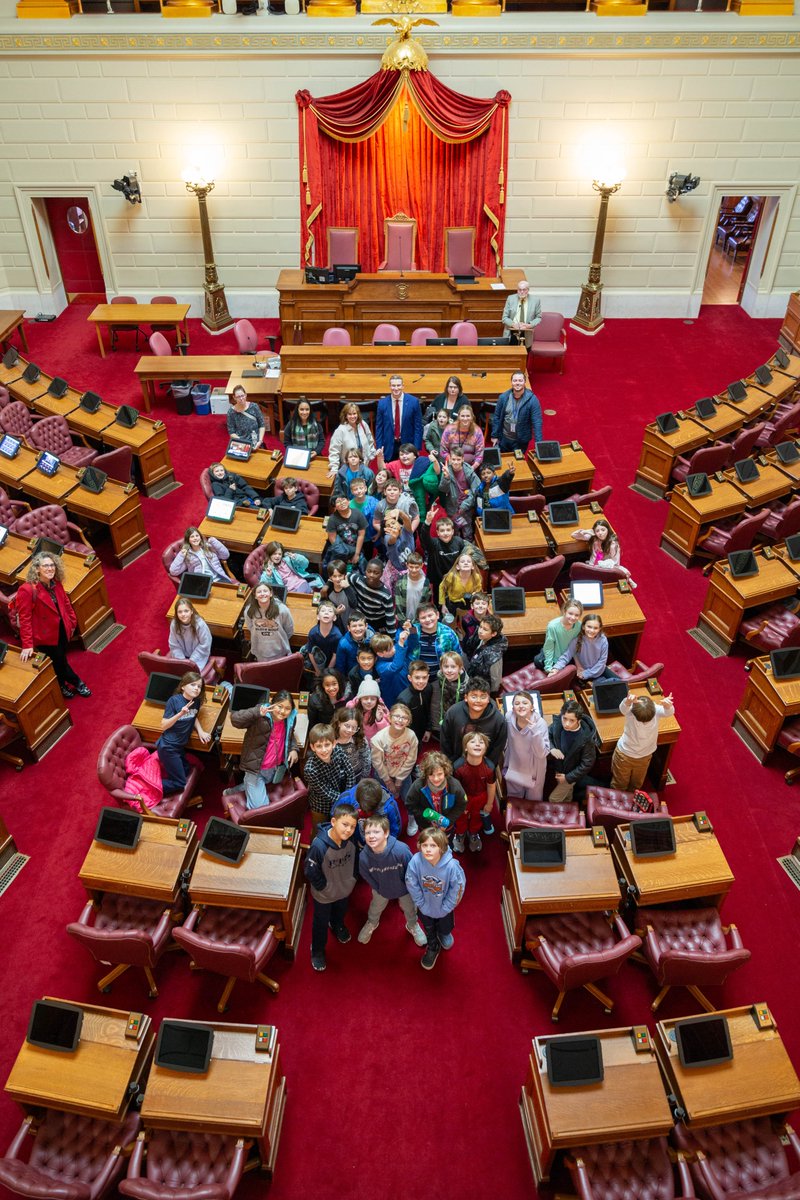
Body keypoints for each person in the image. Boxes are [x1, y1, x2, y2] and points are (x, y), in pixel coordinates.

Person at [17, 551, 90, 698]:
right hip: (45, 635)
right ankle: (77, 682)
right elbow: (24, 618)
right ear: (37, 569)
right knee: (60, 660)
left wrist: (72, 620)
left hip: (62, 629)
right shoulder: (27, 589)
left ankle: (61, 685)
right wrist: (27, 644)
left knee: (60, 659)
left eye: (52, 565)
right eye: (45, 566)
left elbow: (66, 603)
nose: (50, 569)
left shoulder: (56, 583)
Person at [304, 800, 360, 972]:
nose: (348, 830)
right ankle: (318, 950)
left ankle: (337, 925)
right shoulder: (318, 846)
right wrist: (324, 887)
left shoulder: (351, 842)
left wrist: (352, 880)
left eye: (352, 826)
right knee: (320, 922)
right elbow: (310, 870)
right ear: (334, 822)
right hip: (324, 895)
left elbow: (355, 862)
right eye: (345, 824)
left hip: (343, 890)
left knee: (340, 911)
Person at [357, 814, 428, 947]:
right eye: (368, 832)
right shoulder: (363, 857)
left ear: (386, 833)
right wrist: (377, 887)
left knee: (410, 908)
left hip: (404, 889)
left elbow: (411, 869)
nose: (371, 836)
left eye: (376, 832)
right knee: (375, 907)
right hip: (381, 890)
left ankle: (412, 924)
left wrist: (409, 887)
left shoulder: (401, 850)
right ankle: (372, 922)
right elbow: (365, 874)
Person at [405, 825, 466, 970]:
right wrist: (420, 903)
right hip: (425, 905)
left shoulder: (451, 867)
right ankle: (433, 945)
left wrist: (447, 907)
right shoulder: (415, 861)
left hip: (444, 908)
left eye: (433, 845)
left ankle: (443, 933)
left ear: (442, 848)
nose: (428, 849)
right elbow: (410, 881)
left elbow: (458, 888)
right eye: (424, 845)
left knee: (445, 925)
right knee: (428, 926)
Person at [228, 690, 300, 810]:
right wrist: (257, 712)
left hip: (274, 769)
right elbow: (235, 720)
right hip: (255, 770)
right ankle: (242, 788)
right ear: (272, 704)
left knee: (263, 784)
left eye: (287, 708)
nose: (282, 711)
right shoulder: (261, 715)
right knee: (262, 809)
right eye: (279, 706)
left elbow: (290, 736)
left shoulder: (290, 719)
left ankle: (234, 791)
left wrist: (293, 749)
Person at [155, 671, 209, 794]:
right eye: (193, 685)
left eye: (199, 686)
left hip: (179, 746)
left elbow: (193, 716)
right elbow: (163, 725)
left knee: (186, 769)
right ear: (183, 686)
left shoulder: (196, 701)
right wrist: (180, 713)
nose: (196, 688)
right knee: (180, 783)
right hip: (168, 747)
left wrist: (201, 731)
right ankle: (149, 785)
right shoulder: (173, 701)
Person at [611, 692, 675, 791]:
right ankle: (631, 798)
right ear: (653, 706)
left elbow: (623, 708)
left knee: (619, 783)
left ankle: (619, 800)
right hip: (644, 756)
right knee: (636, 784)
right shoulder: (655, 710)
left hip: (625, 754)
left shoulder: (631, 712)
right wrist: (668, 706)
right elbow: (668, 713)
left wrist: (627, 701)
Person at [440, 676, 508, 765]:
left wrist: (487, 766)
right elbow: (445, 740)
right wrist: (450, 763)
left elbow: (497, 747)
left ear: (488, 699)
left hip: (484, 765)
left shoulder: (499, 720)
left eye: (483, 697)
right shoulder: (453, 712)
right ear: (466, 697)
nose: (478, 701)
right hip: (455, 762)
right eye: (474, 696)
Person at [303, 724, 357, 831]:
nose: (324, 750)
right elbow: (326, 793)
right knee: (319, 830)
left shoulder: (339, 751)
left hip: (340, 796)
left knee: (337, 828)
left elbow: (350, 773)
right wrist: (345, 800)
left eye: (327, 745)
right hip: (321, 806)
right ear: (312, 747)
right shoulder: (310, 769)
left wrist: (348, 794)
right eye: (319, 746)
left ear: (334, 743)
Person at [405, 750, 467, 840]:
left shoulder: (454, 786)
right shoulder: (418, 786)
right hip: (425, 825)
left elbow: (461, 804)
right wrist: (428, 818)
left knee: (445, 842)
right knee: (428, 841)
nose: (436, 778)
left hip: (447, 826)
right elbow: (410, 804)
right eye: (431, 775)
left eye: (439, 774)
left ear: (445, 772)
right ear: (426, 774)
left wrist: (448, 821)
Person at [548, 698, 599, 804]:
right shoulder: (558, 724)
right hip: (559, 767)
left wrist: (567, 778)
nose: (566, 724)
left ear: (578, 721)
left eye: (571, 720)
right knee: (568, 794)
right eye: (564, 718)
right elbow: (547, 735)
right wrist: (552, 748)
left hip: (570, 773)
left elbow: (587, 764)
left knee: (553, 799)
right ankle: (569, 804)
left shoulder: (586, 739)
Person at [452, 731, 496, 854]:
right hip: (463, 797)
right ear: (465, 747)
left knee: (477, 817)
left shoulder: (489, 767)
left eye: (481, 742)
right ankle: (460, 834)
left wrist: (489, 803)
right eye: (473, 742)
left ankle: (473, 833)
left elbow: (491, 786)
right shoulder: (458, 767)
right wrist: (459, 804)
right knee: (461, 817)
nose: (477, 744)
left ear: (485, 748)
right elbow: (455, 788)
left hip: (481, 796)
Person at [503, 691, 550, 803]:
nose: (521, 706)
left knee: (533, 802)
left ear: (532, 707)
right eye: (517, 703)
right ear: (513, 707)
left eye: (525, 703)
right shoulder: (508, 717)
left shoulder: (540, 724)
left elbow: (542, 753)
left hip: (534, 769)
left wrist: (535, 732)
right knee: (514, 800)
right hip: (514, 764)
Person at [370, 702, 418, 804]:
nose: (400, 720)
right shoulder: (378, 739)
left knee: (409, 799)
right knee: (382, 800)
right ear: (389, 718)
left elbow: (411, 759)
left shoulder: (411, 736)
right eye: (397, 716)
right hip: (384, 772)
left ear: (408, 722)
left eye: (404, 718)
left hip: (403, 771)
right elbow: (378, 763)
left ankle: (411, 816)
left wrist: (399, 781)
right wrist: (388, 782)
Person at [430, 447, 481, 539]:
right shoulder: (447, 470)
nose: (456, 462)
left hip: (467, 508)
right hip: (452, 507)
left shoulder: (469, 471)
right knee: (454, 532)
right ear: (450, 458)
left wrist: (465, 505)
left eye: (458, 459)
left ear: (462, 459)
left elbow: (476, 491)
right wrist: (446, 478)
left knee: (467, 531)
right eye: (453, 459)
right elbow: (443, 489)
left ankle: (468, 549)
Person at [553, 612, 617, 682]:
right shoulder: (576, 640)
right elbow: (566, 656)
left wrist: (588, 673)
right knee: (601, 688)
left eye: (595, 628)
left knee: (621, 683)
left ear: (600, 628)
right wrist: (556, 668)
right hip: (584, 672)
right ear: (583, 626)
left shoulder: (603, 639)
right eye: (589, 627)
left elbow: (602, 661)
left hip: (598, 670)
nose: (592, 630)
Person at [572, 519, 637, 587]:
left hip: (607, 565)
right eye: (597, 531)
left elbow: (615, 562)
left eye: (603, 530)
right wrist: (585, 531)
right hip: (594, 564)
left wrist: (600, 565)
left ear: (608, 530)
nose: (600, 533)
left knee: (621, 571)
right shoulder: (594, 538)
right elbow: (574, 535)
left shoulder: (613, 544)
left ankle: (629, 580)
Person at [419, 512, 466, 600]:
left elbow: (464, 557)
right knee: (439, 601)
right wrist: (427, 521)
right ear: (437, 532)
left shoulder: (459, 541)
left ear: (452, 531)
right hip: (439, 580)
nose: (445, 533)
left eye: (448, 530)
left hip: (455, 578)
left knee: (454, 599)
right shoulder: (434, 544)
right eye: (442, 530)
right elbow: (424, 537)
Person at [375, 375, 423, 462]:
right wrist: (379, 447)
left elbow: (418, 427)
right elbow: (379, 428)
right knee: (389, 472)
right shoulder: (382, 403)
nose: (396, 388)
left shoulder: (414, 402)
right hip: (389, 444)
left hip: (408, 443)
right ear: (390, 386)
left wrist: (416, 448)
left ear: (403, 386)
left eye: (398, 385)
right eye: (393, 385)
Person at [492, 370, 543, 452]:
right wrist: (494, 435)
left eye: (520, 380)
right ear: (511, 382)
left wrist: (539, 444)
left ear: (525, 382)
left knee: (518, 463)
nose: (517, 383)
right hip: (504, 438)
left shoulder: (533, 400)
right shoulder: (503, 397)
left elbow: (537, 422)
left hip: (521, 441)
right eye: (515, 380)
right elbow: (497, 417)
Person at [243, 582, 294, 662]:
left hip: (280, 652)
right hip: (261, 652)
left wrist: (278, 640)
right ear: (255, 596)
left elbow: (289, 630)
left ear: (271, 594)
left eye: (265, 591)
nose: (262, 594)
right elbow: (250, 627)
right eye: (259, 592)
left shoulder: (282, 609)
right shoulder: (249, 611)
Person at [429, 651, 469, 741]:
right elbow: (435, 704)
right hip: (443, 721)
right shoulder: (439, 680)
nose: (449, 670)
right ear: (441, 668)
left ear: (460, 668)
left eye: (453, 667)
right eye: (446, 667)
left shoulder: (467, 686)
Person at [327, 403, 377, 476]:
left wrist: (371, 456)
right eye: (349, 414)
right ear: (345, 416)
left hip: (364, 466)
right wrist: (334, 468)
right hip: (348, 469)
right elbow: (334, 451)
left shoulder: (363, 424)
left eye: (354, 413)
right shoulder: (340, 430)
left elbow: (370, 441)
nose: (352, 416)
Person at [411, 603, 461, 674]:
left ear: (437, 615)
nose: (427, 619)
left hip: (441, 676)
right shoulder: (413, 630)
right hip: (417, 676)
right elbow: (403, 648)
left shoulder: (448, 632)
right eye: (423, 617)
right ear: (418, 619)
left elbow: (458, 654)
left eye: (430, 615)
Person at [350, 560, 397, 635]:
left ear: (381, 574)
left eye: (376, 573)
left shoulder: (385, 595)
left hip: (377, 622)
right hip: (361, 619)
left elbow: (390, 620)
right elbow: (344, 576)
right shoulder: (358, 580)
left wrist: (392, 640)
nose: (371, 575)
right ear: (365, 571)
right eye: (369, 571)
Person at [371, 630, 416, 707]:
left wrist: (412, 629)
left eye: (393, 646)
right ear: (380, 654)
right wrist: (400, 644)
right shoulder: (380, 666)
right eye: (389, 649)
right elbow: (396, 667)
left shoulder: (398, 649)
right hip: (394, 701)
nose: (394, 649)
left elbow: (414, 646)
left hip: (409, 694)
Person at [168, 598, 214, 674]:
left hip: (198, 656)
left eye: (186, 611)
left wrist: (190, 661)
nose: (183, 614)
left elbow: (205, 644)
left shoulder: (200, 624)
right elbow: (174, 645)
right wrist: (182, 661)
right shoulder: (174, 624)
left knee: (191, 675)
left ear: (192, 611)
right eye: (180, 612)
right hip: (181, 657)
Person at [466, 613, 508, 694]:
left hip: (482, 686)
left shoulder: (494, 655)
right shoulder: (481, 636)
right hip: (473, 670)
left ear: (494, 634)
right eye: (480, 627)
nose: (480, 631)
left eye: (485, 629)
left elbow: (495, 681)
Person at [324, 493, 368, 571]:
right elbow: (332, 539)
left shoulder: (357, 514)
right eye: (338, 502)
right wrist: (344, 556)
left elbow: (361, 535)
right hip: (341, 550)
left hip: (356, 548)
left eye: (343, 499)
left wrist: (356, 554)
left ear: (348, 501)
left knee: (359, 567)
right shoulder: (332, 519)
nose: (342, 503)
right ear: (335, 507)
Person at [540, 598, 583, 673]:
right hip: (554, 657)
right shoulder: (552, 626)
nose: (573, 617)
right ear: (564, 611)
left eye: (577, 615)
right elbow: (549, 647)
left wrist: (578, 664)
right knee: (538, 661)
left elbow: (575, 646)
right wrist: (548, 667)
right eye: (570, 613)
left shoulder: (579, 626)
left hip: (567, 657)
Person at [397, 658, 433, 745]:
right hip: (409, 736)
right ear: (410, 678)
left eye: (424, 678)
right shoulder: (403, 699)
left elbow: (429, 710)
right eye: (417, 677)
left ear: (428, 677)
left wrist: (428, 729)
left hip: (423, 731)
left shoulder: (428, 688)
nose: (421, 681)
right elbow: (401, 724)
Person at [332, 705, 372, 783]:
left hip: (356, 775)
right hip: (337, 778)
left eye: (354, 728)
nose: (350, 730)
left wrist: (363, 778)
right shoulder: (330, 738)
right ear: (339, 723)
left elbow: (366, 759)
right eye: (347, 726)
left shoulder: (360, 739)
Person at [439, 553, 484, 623]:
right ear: (457, 567)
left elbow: (478, 589)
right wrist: (443, 605)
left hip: (468, 603)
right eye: (462, 562)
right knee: (450, 623)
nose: (466, 563)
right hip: (452, 604)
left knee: (466, 623)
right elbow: (442, 587)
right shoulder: (451, 577)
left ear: (473, 566)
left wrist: (475, 594)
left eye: (468, 562)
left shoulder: (476, 577)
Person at [303, 599, 342, 676]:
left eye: (330, 611)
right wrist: (317, 669)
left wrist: (327, 671)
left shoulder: (337, 636)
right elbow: (310, 653)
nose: (326, 613)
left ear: (334, 617)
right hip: (316, 662)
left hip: (331, 664)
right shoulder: (313, 633)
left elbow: (335, 655)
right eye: (323, 611)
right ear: (318, 616)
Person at [346, 675, 390, 744]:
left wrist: (380, 720)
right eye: (365, 698)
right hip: (358, 744)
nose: (369, 701)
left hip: (375, 744)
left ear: (377, 700)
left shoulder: (381, 708)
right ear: (360, 699)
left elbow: (386, 731)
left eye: (373, 699)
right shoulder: (352, 708)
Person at [439, 404, 485, 469]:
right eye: (462, 416)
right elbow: (443, 450)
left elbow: (479, 455)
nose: (465, 418)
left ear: (472, 417)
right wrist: (454, 463)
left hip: (470, 467)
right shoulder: (449, 429)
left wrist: (471, 469)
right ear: (459, 417)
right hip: (452, 464)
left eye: (468, 416)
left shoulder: (477, 431)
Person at [380, 507, 415, 591]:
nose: (391, 525)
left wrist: (400, 512)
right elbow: (391, 541)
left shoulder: (407, 531)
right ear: (386, 530)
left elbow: (407, 521)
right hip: (396, 571)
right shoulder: (387, 537)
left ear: (400, 524)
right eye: (388, 526)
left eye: (393, 523)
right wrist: (394, 536)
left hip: (411, 567)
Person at [501, 279, 542, 349]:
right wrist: (514, 324)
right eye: (519, 290)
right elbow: (504, 318)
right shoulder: (510, 299)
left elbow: (539, 317)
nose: (522, 292)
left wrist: (530, 325)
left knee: (525, 355)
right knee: (512, 354)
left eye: (524, 290)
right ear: (517, 290)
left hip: (527, 332)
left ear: (528, 290)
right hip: (512, 331)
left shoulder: (535, 300)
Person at [394, 553, 432, 625]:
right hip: (404, 619)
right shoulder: (400, 581)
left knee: (415, 635)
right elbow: (398, 603)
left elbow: (426, 604)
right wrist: (404, 621)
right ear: (407, 565)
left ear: (422, 565)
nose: (414, 570)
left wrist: (417, 621)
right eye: (411, 567)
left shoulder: (426, 583)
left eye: (417, 567)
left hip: (419, 620)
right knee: (405, 635)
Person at [334, 611, 374, 679]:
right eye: (354, 626)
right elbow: (340, 665)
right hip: (353, 677)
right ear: (349, 628)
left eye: (360, 625)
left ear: (366, 626)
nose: (358, 629)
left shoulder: (373, 639)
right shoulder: (343, 644)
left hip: (371, 674)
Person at [321, 561, 359, 629]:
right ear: (330, 577)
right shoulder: (328, 589)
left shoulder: (349, 587)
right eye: (334, 576)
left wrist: (347, 587)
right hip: (337, 622)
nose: (337, 579)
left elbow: (354, 604)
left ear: (344, 575)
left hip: (350, 621)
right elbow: (325, 605)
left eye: (340, 575)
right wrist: (335, 611)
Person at [226, 384, 265, 449]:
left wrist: (260, 441)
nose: (241, 398)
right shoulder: (231, 412)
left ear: (246, 395)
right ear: (234, 397)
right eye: (238, 397)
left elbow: (262, 425)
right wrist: (243, 443)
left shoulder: (254, 406)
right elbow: (231, 432)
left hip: (256, 441)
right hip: (241, 443)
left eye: (242, 396)